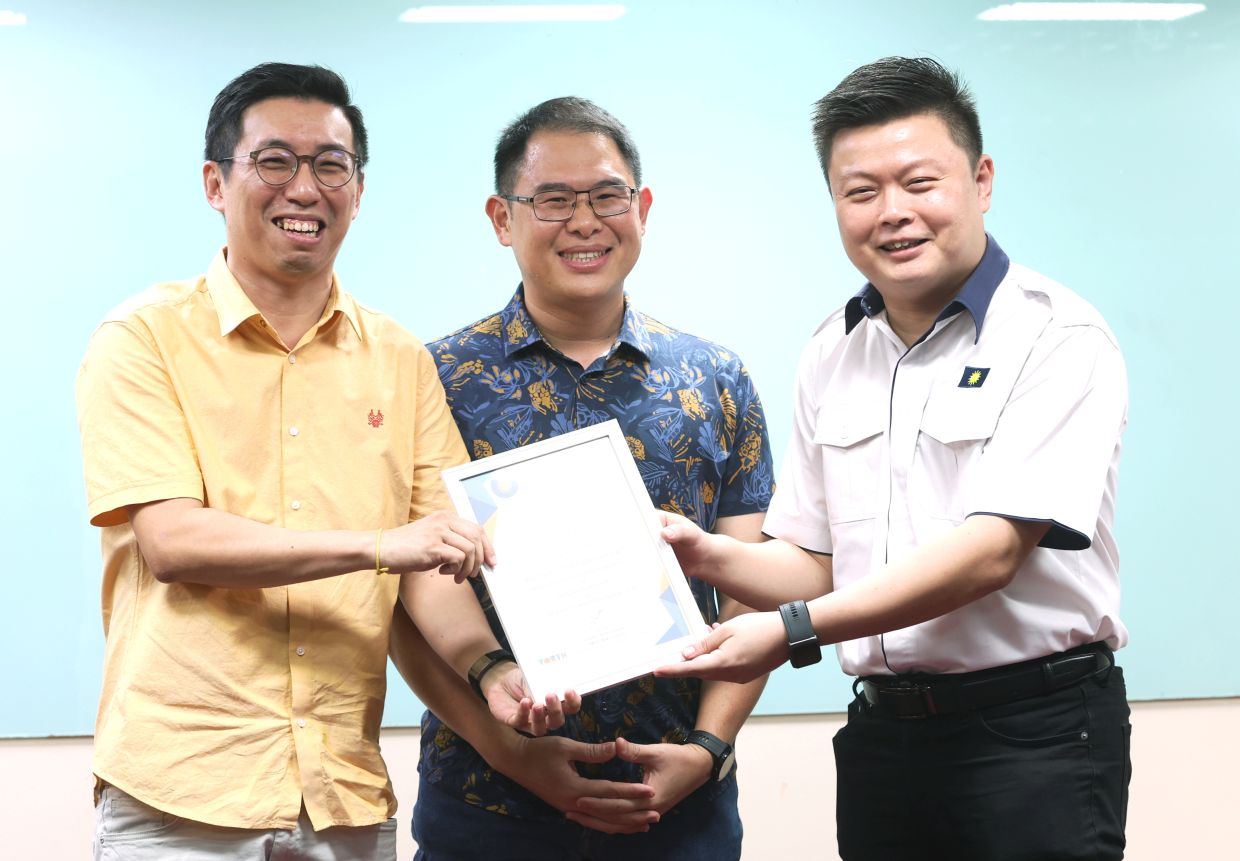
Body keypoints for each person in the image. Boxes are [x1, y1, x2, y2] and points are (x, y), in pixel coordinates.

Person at [655, 57, 1131, 860]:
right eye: (861, 191)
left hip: (1033, 735)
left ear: (981, 180)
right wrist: (701, 553)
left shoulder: (1057, 335)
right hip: (885, 738)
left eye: (919, 182)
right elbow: (814, 561)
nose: (893, 213)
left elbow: (992, 552)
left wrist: (791, 632)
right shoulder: (832, 350)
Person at [75, 62, 518, 860]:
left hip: (342, 794)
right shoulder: (141, 338)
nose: (305, 189)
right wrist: (380, 545)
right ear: (215, 183)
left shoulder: (400, 357)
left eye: (331, 165)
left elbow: (435, 560)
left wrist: (488, 668)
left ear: (359, 189)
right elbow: (174, 542)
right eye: (274, 162)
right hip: (180, 799)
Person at [390, 97, 776, 861]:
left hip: (677, 807)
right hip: (487, 802)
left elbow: (750, 592)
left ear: (643, 208)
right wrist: (513, 755)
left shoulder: (716, 377)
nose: (585, 221)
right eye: (554, 200)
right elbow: (402, 600)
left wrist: (707, 748)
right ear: (502, 218)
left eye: (607, 196)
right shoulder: (430, 379)